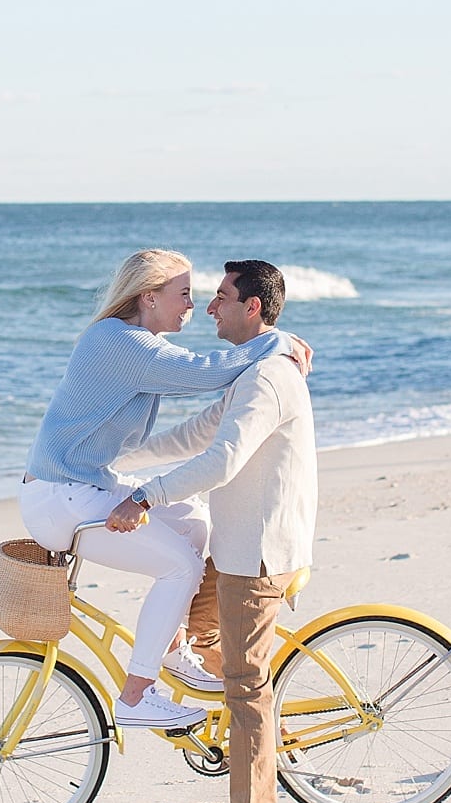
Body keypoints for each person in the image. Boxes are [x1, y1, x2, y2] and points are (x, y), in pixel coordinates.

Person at [19, 248, 312, 732]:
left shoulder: (132, 342)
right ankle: (136, 695)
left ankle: (172, 649)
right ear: (149, 297)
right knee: (180, 565)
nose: (193, 307)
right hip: (60, 498)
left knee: (195, 522)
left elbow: (189, 430)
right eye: (184, 295)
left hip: (82, 483)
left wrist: (141, 482)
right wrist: (276, 341)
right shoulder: (121, 342)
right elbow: (205, 370)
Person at [106, 259, 316, 803]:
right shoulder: (252, 372)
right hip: (234, 547)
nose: (209, 307)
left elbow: (221, 461)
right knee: (191, 641)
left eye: (222, 297)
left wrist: (148, 495)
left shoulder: (267, 378)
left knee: (246, 684)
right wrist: (121, 464)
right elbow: (197, 435)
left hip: (257, 554)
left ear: (252, 308)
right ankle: (239, 735)